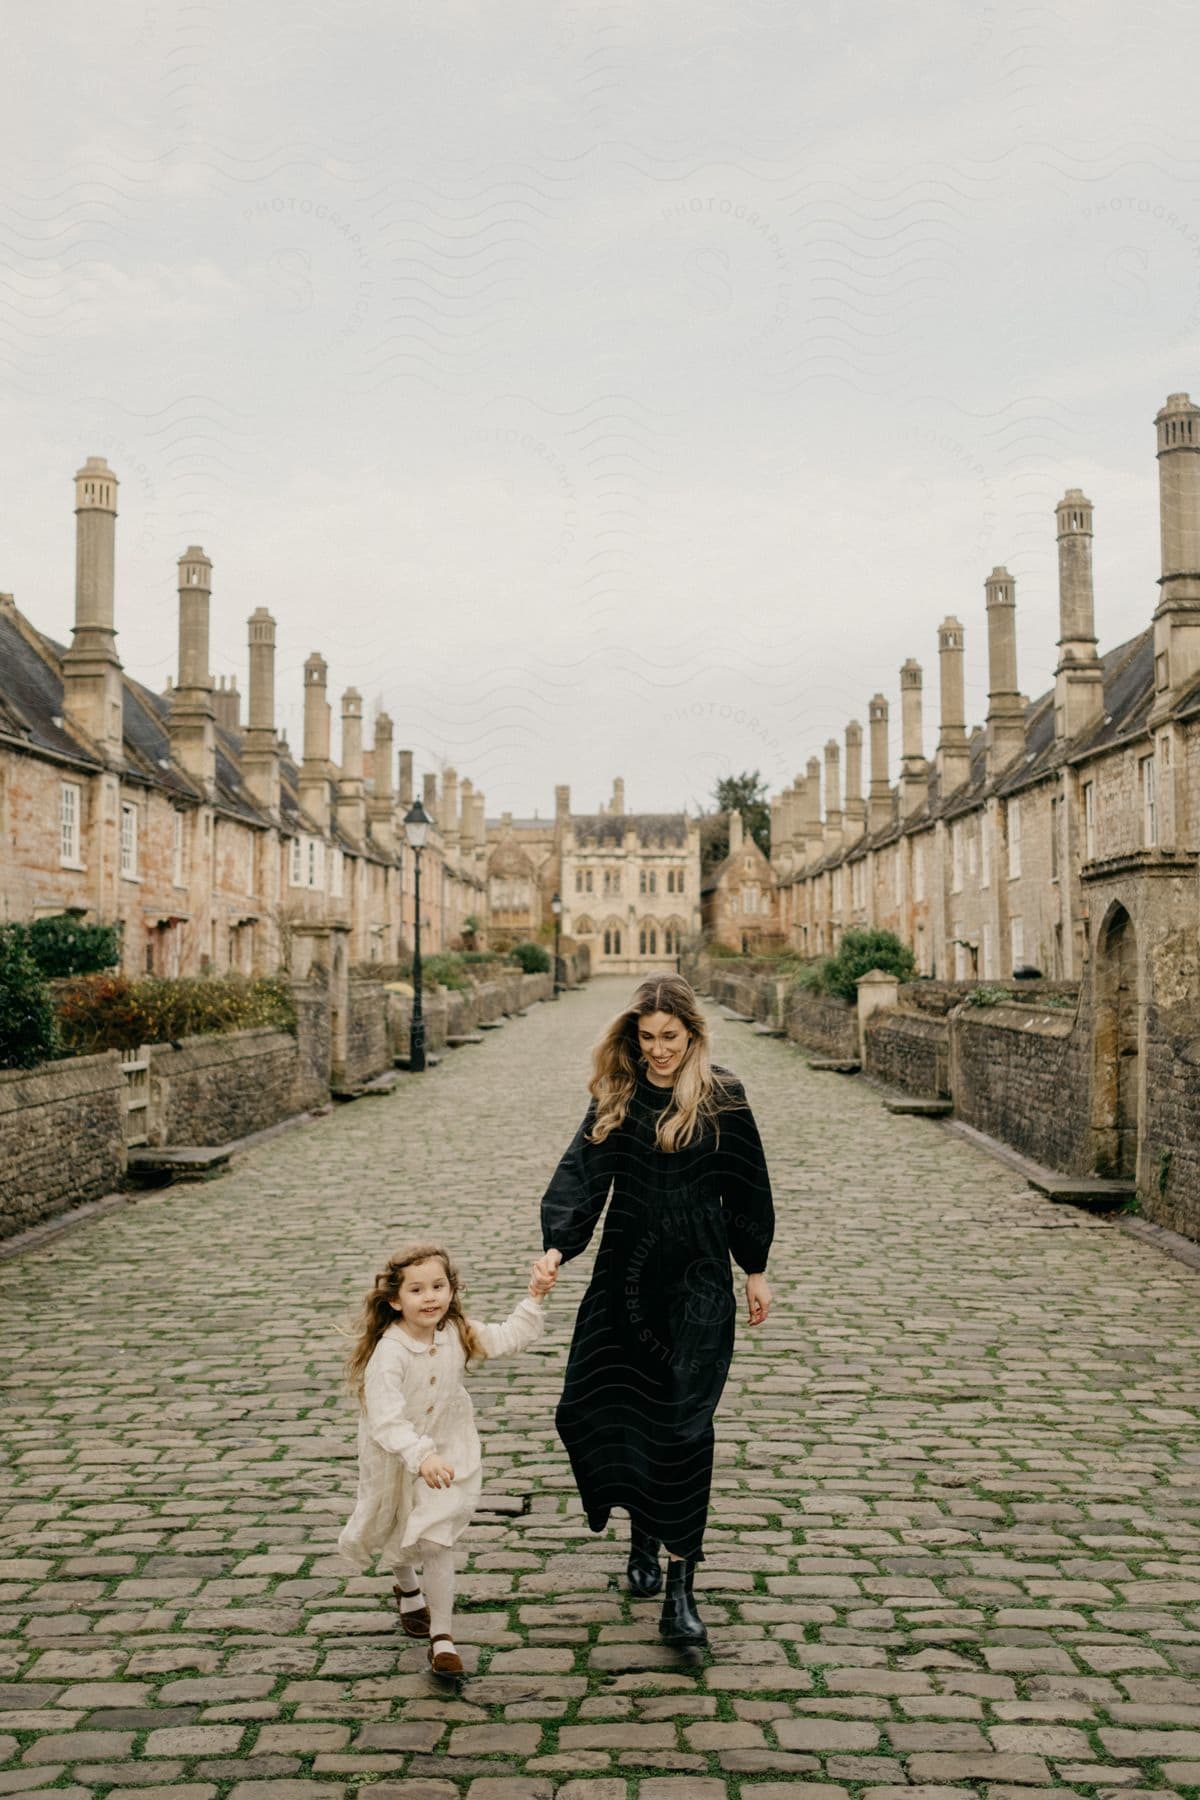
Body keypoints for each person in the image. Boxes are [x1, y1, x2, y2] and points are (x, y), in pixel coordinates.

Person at [535, 973, 774, 1648]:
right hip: (623, 1279)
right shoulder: (620, 1093)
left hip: (697, 1285)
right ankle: (642, 1525)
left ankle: (681, 1587)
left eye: (670, 1038)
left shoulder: (723, 1096)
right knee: (597, 1405)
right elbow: (582, 1175)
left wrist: (754, 1268)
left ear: (692, 1034)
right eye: (647, 1038)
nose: (658, 1050)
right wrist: (557, 1246)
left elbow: (747, 1185)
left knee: (685, 1426)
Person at [338, 1243, 556, 1677]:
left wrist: (534, 1296)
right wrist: (420, 1456)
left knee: (436, 1538)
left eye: (439, 1286)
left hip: (449, 1451)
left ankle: (442, 1638)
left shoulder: (457, 1331)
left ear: (452, 1291)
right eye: (417, 1289)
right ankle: (407, 1589)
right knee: (393, 1522)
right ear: (396, 1300)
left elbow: (507, 1337)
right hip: (395, 1453)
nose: (431, 1297)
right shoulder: (390, 1354)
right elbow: (386, 1420)